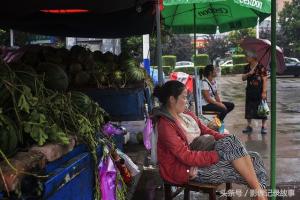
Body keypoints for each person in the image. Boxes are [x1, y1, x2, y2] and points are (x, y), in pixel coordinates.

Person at [152, 80, 268, 200]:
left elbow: (206, 130)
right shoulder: (165, 125)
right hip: (187, 169)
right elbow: (185, 156)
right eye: (184, 97)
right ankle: (260, 195)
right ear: (172, 99)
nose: (186, 101)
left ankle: (259, 195)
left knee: (255, 157)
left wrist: (228, 140)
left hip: (203, 157)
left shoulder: (187, 115)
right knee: (242, 168)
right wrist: (218, 155)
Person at [242, 51, 268, 134]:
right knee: (249, 109)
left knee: (262, 108)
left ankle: (263, 126)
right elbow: (243, 78)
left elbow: (264, 79)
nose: (246, 58)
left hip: (260, 91)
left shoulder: (261, 66)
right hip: (250, 91)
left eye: (247, 56)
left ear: (252, 58)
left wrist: (264, 92)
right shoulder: (247, 67)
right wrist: (249, 73)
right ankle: (249, 126)